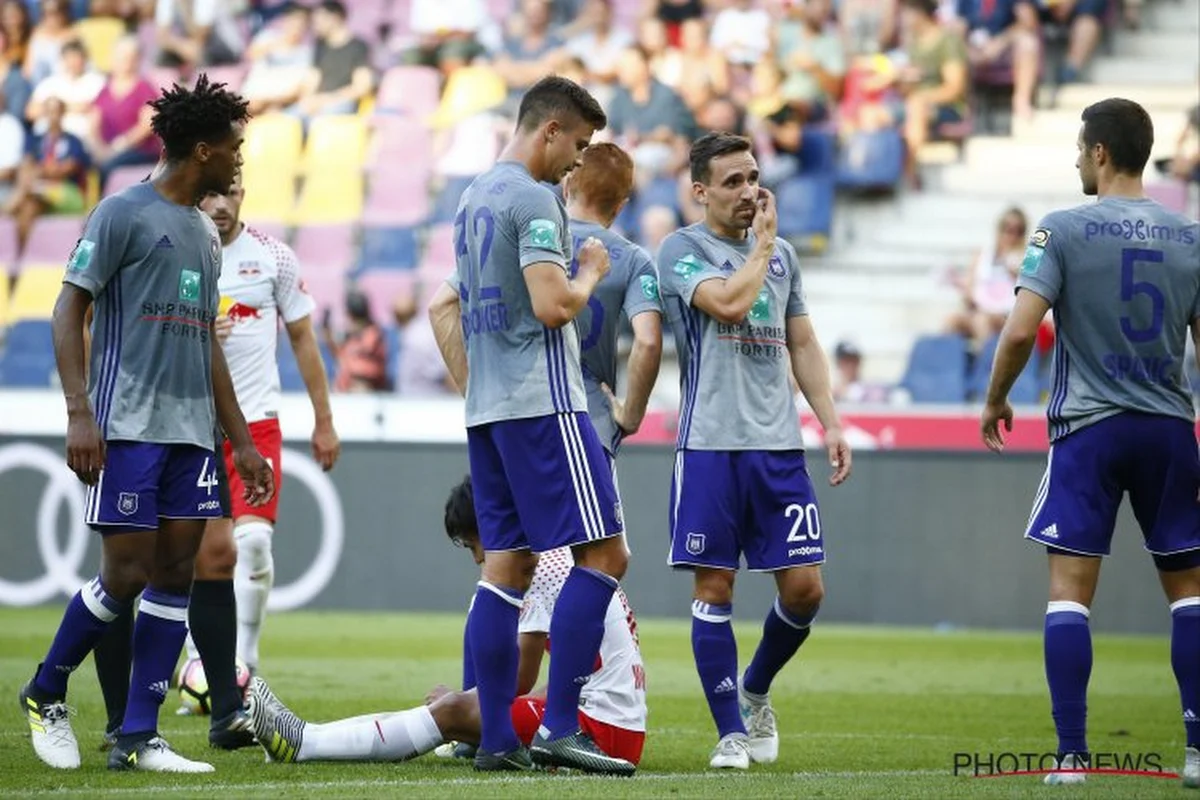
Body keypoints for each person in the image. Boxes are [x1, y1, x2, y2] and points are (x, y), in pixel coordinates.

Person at [18, 75, 273, 773]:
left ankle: (138, 735)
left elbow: (204, 344)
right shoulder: (120, 214)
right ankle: (45, 689)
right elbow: (68, 310)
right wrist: (79, 411)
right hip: (127, 425)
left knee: (174, 577)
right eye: (232, 147)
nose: (238, 159)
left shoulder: (201, 233)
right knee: (124, 573)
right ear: (201, 149)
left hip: (193, 434)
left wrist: (243, 442)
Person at [980, 98, 1200, 790]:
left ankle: (1071, 757)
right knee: (1189, 594)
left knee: (1070, 595)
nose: (1077, 158)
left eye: (1081, 147)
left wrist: (995, 400)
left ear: (1101, 152)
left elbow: (1019, 331)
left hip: (1089, 430)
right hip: (1169, 429)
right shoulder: (1191, 238)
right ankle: (1197, 752)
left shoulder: (1063, 230)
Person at [426, 75, 633, 776]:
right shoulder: (533, 198)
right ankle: (562, 726)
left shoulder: (472, 197)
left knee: (506, 568)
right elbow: (553, 305)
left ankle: (492, 742)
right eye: (575, 145)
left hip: (488, 410)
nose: (577, 162)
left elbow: (443, 307)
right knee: (604, 556)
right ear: (549, 130)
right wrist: (592, 270)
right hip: (544, 404)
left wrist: (474, 389)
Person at [657, 132, 851, 770]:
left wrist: (831, 422)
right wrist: (763, 248)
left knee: (805, 591)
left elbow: (802, 344)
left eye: (753, 178)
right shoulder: (681, 250)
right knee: (715, 588)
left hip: (777, 449)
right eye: (733, 182)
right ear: (701, 190)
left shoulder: (784, 256)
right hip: (711, 447)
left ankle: (756, 688)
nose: (749, 192)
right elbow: (729, 306)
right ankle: (730, 733)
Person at [245, 475, 648, 766]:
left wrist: (458, 703)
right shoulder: (558, 556)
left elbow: (515, 683)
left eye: (476, 543)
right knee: (464, 703)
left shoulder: (539, 567)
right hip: (612, 722)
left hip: (602, 732)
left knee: (454, 711)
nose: (476, 557)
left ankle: (305, 742)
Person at [199, 170, 341, 675]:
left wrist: (324, 419)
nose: (221, 203)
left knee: (254, 543)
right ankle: (199, 664)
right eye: (212, 192)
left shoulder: (273, 257)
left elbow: (304, 338)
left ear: (243, 194)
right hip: (193, 425)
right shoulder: (180, 255)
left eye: (230, 192)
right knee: (192, 556)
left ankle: (244, 662)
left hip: (257, 420)